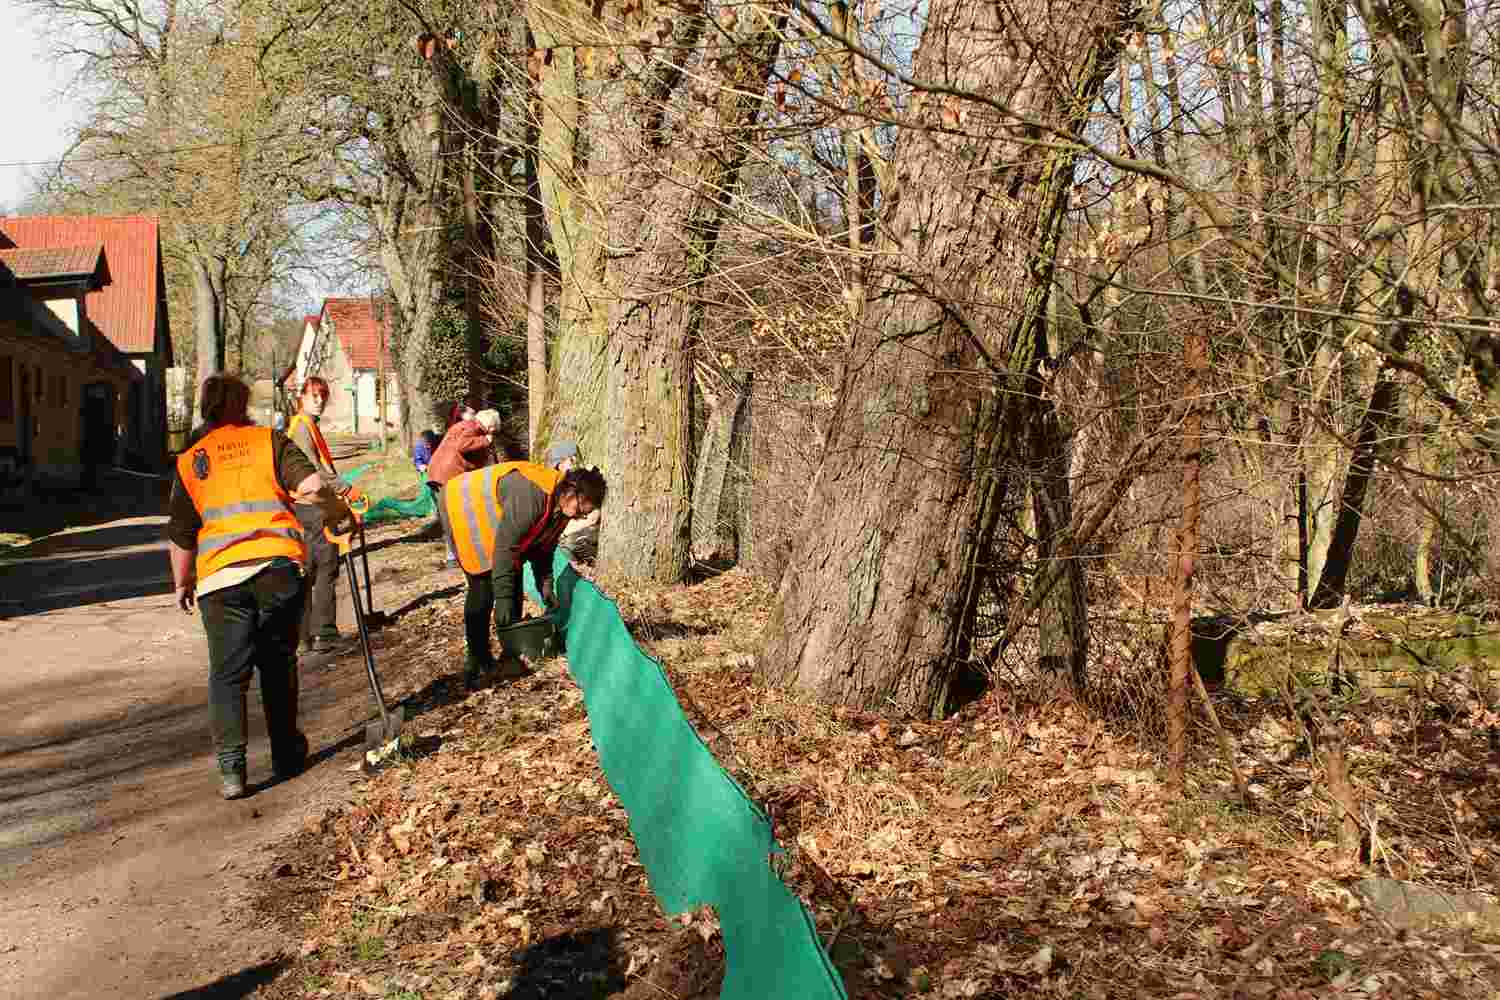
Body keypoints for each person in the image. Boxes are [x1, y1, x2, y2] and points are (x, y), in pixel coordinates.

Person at [165, 374, 353, 800]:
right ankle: (286, 754)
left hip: (219, 580)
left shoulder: (191, 459)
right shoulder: (270, 441)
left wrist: (182, 582)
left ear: (206, 407)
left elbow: (180, 533)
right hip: (277, 568)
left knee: (228, 675)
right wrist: (336, 514)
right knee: (277, 662)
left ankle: (232, 771)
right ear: (244, 403)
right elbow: (311, 485)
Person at [444, 462, 606, 689]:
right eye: (581, 510)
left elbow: (543, 550)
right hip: (465, 504)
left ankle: (512, 651)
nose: (580, 517)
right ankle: (477, 658)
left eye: (584, 515)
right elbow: (505, 551)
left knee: (512, 577)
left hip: (500, 518)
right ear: (572, 491)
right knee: (483, 584)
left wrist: (546, 588)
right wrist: (503, 603)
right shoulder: (532, 498)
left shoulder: (562, 510)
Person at [287, 377, 352, 663]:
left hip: (312, 505)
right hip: (309, 505)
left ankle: (306, 637)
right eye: (314, 395)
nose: (320, 400)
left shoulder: (308, 426)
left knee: (312, 569)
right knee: (324, 567)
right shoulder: (301, 427)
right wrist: (345, 488)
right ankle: (323, 634)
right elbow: (313, 470)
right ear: (301, 396)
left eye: (323, 395)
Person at [427, 409, 502, 569]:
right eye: (495, 428)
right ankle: (455, 557)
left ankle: (454, 555)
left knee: (450, 516)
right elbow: (462, 446)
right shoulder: (473, 428)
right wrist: (486, 441)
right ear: (490, 425)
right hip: (449, 476)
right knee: (456, 517)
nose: (495, 432)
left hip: (438, 473)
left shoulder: (465, 425)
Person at [544, 441, 600, 563]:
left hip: (585, 534)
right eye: (571, 460)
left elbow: (593, 515)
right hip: (569, 537)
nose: (574, 463)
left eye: (574, 459)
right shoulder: (558, 488)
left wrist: (564, 533)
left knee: (568, 544)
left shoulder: (586, 481)